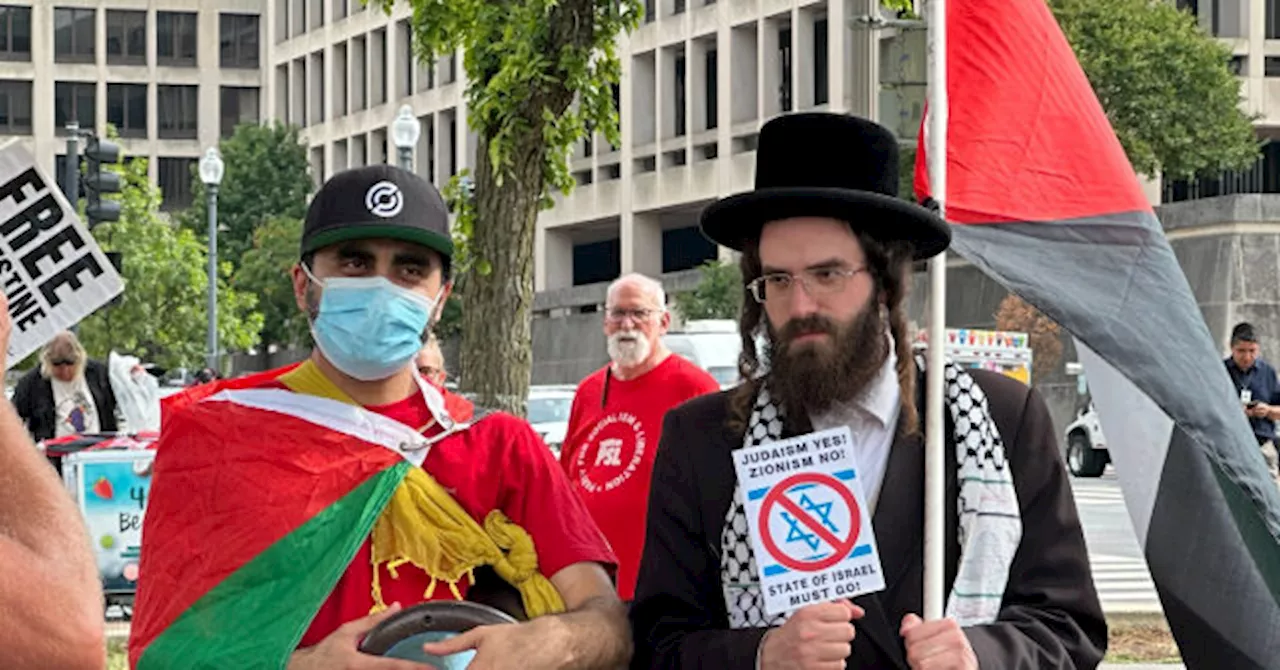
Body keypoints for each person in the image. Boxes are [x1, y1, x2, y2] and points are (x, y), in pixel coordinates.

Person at [629, 113, 1106, 669]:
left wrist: (980, 656)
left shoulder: (1002, 419)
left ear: (886, 280)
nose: (800, 305)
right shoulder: (704, 439)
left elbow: (1070, 629)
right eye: (778, 280)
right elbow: (659, 643)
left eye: (827, 275)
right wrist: (761, 655)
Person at [130, 165, 630, 669]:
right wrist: (305, 666)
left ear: (440, 301)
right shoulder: (219, 434)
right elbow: (164, 654)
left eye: (410, 269)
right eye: (354, 263)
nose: (382, 288)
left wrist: (555, 640)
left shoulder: (498, 445)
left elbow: (607, 622)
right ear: (304, 285)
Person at [559, 273, 720, 601]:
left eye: (639, 313)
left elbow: (715, 492)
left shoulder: (694, 388)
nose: (627, 324)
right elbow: (565, 480)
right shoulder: (589, 391)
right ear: (605, 322)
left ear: (663, 322)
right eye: (617, 313)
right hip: (591, 587)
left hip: (661, 587)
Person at [0, 296, 107, 668]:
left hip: (94, 467)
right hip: (51, 473)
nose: (64, 373)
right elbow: (74, 637)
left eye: (70, 366)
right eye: (58, 367)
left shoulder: (97, 374)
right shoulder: (33, 384)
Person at [12, 331, 118, 441]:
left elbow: (123, 398)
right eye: (56, 365)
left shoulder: (99, 373)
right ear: (46, 361)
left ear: (80, 359)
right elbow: (13, 417)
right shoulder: (31, 383)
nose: (65, 371)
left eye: (70, 363)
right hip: (52, 453)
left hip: (100, 449)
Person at [1224, 321, 1280, 482]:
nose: (1247, 357)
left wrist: (1268, 410)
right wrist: (1235, 411)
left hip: (1262, 444)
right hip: (1230, 445)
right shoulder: (1221, 371)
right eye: (1241, 351)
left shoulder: (1268, 372)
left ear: (1258, 349)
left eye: (1252, 351)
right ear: (1231, 348)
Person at [417, 332, 475, 422]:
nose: (417, 378)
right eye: (408, 372)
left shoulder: (462, 413)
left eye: (425, 371)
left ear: (441, 378)